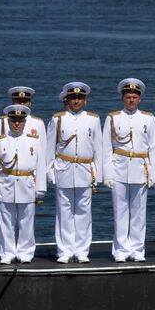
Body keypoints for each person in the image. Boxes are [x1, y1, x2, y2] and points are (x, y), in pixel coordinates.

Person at [104, 78, 155, 262]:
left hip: (140, 169)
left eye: (134, 97)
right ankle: (121, 250)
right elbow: (106, 148)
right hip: (119, 169)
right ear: (123, 98)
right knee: (120, 212)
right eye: (128, 97)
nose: (131, 100)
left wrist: (154, 174)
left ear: (140, 99)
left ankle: (137, 250)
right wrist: (107, 174)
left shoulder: (148, 118)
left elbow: (154, 147)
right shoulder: (113, 118)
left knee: (138, 212)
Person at [48, 81, 105, 263]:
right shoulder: (57, 119)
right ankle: (64, 250)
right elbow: (49, 148)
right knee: (64, 211)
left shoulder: (93, 119)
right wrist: (50, 173)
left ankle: (81, 250)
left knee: (83, 211)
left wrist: (98, 174)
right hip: (63, 169)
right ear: (67, 99)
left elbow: (99, 149)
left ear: (85, 101)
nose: (76, 101)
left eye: (80, 98)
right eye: (73, 98)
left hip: (85, 170)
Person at [0, 104, 46, 264]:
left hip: (27, 185)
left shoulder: (34, 141)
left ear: (24, 122)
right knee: (6, 222)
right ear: (8, 121)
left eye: (20, 120)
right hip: (6, 185)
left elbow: (40, 165)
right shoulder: (0, 141)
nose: (17, 123)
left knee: (26, 222)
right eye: (13, 120)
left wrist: (40, 187)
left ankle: (25, 252)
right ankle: (7, 254)